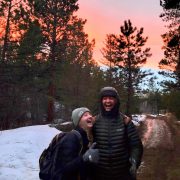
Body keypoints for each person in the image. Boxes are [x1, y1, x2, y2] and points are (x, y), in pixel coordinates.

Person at [91, 87, 143, 180]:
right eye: (105, 98)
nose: (108, 101)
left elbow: (136, 146)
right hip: (99, 174)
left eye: (111, 98)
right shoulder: (94, 122)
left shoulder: (125, 121)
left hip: (123, 174)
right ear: (101, 101)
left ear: (116, 100)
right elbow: (86, 143)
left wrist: (135, 161)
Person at [53, 107, 99, 180]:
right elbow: (64, 169)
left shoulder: (87, 136)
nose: (90, 116)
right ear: (78, 121)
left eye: (90, 114)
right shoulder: (71, 138)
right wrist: (84, 158)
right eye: (85, 115)